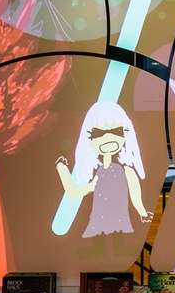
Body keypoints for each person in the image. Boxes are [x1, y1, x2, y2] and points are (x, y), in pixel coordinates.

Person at [55, 101, 152, 237]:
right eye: (98, 133)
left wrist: (143, 213)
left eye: (117, 131)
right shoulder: (96, 172)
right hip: (98, 224)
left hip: (119, 224)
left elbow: (135, 194)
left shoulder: (126, 170)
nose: (108, 137)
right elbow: (73, 193)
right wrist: (62, 169)